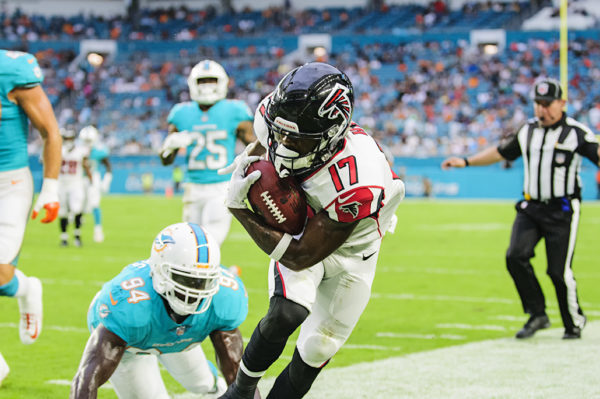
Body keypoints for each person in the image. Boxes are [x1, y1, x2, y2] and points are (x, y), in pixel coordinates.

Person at [218, 62, 405, 398]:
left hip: (351, 252)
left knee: (319, 346)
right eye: (280, 132)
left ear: (331, 134)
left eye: (296, 137)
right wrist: (250, 159)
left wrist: (239, 210)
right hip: (305, 229)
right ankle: (241, 391)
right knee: (288, 310)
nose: (283, 142)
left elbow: (302, 255)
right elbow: (266, 138)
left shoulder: (358, 179)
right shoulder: (277, 116)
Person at [441, 78, 600, 340]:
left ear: (562, 103)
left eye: (547, 104)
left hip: (562, 210)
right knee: (515, 256)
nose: (542, 109)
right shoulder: (527, 131)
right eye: (538, 103)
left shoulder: (576, 133)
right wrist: (467, 161)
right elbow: (501, 152)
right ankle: (538, 314)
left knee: (558, 272)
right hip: (531, 207)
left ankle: (574, 322)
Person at [70, 222, 260, 399]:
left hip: (181, 335)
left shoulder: (224, 297)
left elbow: (241, 379)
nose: (194, 291)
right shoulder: (126, 307)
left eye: (202, 281)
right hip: (132, 345)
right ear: (160, 271)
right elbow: (86, 380)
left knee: (202, 382)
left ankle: (214, 388)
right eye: (185, 279)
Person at [0, 49, 62, 384]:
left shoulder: (9, 69)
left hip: (7, 184)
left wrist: (50, 189)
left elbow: (50, 130)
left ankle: (25, 288)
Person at [159, 59, 255, 246]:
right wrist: (168, 146)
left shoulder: (234, 110)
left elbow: (255, 146)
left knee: (209, 242)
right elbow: (166, 160)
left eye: (211, 80)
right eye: (202, 81)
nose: (206, 86)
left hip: (220, 187)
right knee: (189, 243)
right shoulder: (180, 113)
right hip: (191, 187)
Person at [58, 127, 92, 247]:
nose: (68, 140)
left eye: (70, 138)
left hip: (75, 183)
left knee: (77, 209)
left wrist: (90, 178)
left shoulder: (80, 151)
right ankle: (64, 237)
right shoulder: (58, 150)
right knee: (62, 212)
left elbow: (85, 164)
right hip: (61, 183)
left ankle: (77, 235)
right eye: (66, 138)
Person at [80, 125, 112, 243]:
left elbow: (108, 166)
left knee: (95, 204)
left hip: (94, 178)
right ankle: (77, 228)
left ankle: (98, 230)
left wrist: (106, 180)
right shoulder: (78, 149)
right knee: (78, 204)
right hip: (79, 179)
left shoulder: (99, 150)